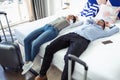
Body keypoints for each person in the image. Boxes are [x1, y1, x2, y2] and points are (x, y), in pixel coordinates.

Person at [35, 18, 119, 80]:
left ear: (104, 26)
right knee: (49, 48)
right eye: (100, 20)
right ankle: (42, 75)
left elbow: (116, 29)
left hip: (82, 40)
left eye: (102, 22)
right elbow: (88, 19)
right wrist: (95, 20)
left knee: (69, 58)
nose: (100, 21)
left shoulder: (103, 32)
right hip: (71, 34)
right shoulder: (88, 24)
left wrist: (109, 25)